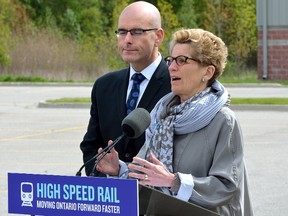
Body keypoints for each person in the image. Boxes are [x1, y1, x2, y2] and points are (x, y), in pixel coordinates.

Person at [95, 28, 254, 215]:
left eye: (182, 60)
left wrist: (174, 181)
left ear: (208, 72)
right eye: (171, 60)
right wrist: (118, 169)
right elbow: (148, 174)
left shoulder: (223, 120)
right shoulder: (160, 115)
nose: (171, 67)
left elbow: (227, 187)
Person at [80, 1, 171, 176]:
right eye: (122, 32)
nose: (127, 40)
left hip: (158, 198)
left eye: (137, 32)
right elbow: (91, 147)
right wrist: (109, 179)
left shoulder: (176, 84)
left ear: (158, 36)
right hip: (112, 197)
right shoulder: (104, 86)